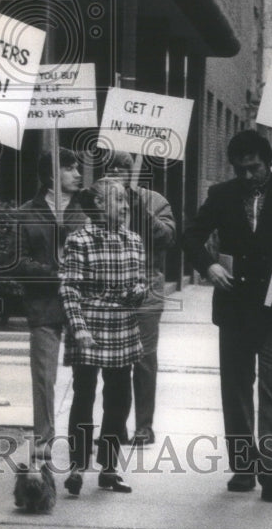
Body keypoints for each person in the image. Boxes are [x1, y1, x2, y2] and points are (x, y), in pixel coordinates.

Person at [183, 130, 272, 502]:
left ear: (268, 160)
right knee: (237, 389)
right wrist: (209, 267)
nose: (247, 175)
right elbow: (190, 236)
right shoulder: (222, 195)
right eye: (240, 169)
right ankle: (244, 468)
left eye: (254, 167)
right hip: (234, 305)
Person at [59, 177, 146, 496]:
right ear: (99, 205)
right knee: (84, 396)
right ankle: (77, 466)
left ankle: (109, 468)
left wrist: (138, 291)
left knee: (120, 400)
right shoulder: (79, 240)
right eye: (119, 201)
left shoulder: (134, 240)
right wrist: (77, 327)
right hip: (90, 328)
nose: (125, 207)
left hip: (122, 327)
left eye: (125, 201)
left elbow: (139, 284)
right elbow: (69, 287)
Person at [14, 147, 85, 460]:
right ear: (52, 174)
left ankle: (82, 439)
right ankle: (43, 438)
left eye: (77, 168)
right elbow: (16, 262)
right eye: (70, 168)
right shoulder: (25, 213)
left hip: (82, 306)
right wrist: (55, 275)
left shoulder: (88, 211)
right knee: (44, 377)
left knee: (86, 375)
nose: (78, 174)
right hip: (43, 307)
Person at [102, 150, 176, 447]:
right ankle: (115, 424)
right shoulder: (100, 202)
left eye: (125, 168)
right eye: (113, 168)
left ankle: (144, 426)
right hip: (111, 291)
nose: (119, 173)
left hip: (147, 290)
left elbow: (166, 238)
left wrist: (139, 208)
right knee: (113, 362)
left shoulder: (155, 200)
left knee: (144, 359)